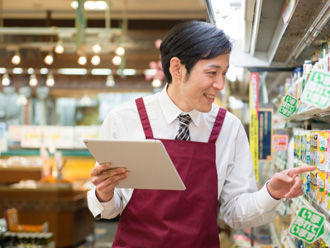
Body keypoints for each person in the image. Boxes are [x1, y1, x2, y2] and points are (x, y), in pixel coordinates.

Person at [87, 20, 314, 247]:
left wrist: (271, 193)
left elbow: (234, 212)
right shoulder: (124, 119)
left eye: (224, 73)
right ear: (177, 68)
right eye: (212, 72)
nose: (220, 84)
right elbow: (110, 208)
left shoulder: (228, 128)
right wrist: (103, 195)